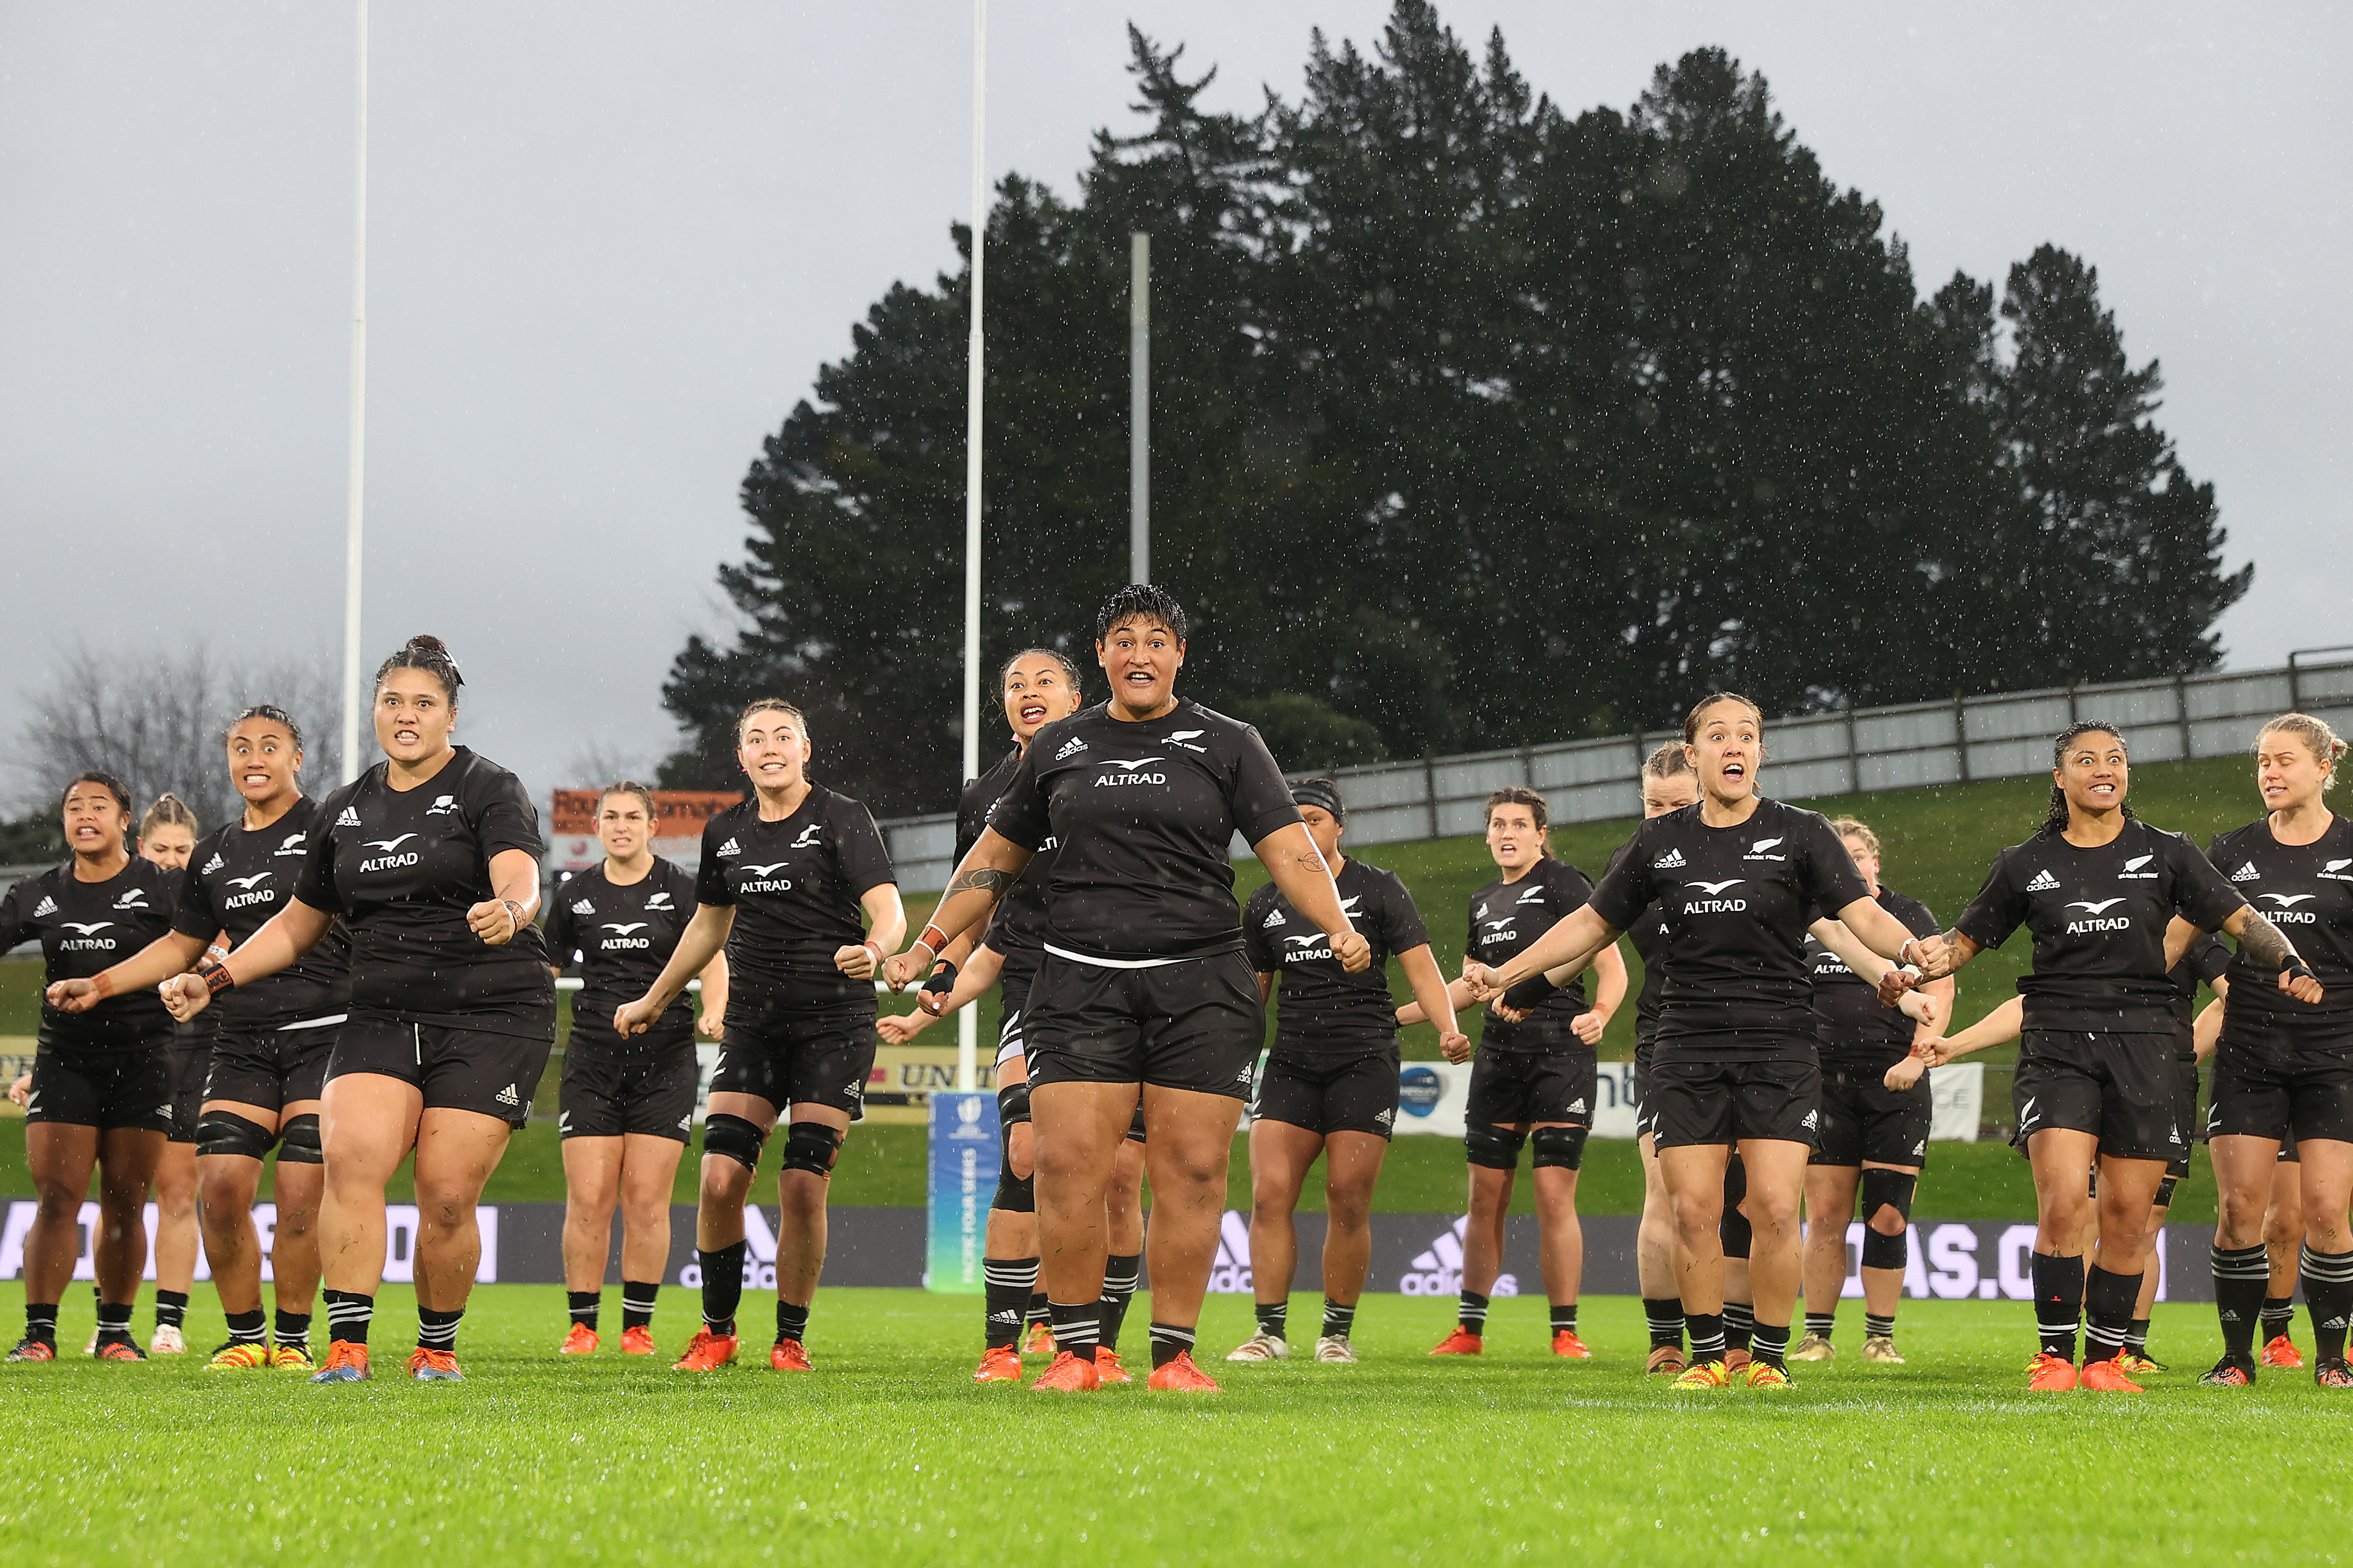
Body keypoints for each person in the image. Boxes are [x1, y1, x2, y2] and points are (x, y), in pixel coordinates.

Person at [884, 583, 1371, 1394]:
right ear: (1102, 655)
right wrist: (927, 941)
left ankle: (1174, 1356)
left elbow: (1289, 852)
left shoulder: (1230, 741)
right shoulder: (1059, 747)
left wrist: (1337, 925)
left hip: (1202, 984)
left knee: (1191, 1170)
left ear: (1180, 655)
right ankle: (1076, 1354)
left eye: (1155, 639)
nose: (1139, 652)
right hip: (1077, 980)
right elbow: (993, 862)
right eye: (1122, 638)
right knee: (1068, 1165)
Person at [1464, 693, 1937, 1390]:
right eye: (1719, 735)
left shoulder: (1801, 833)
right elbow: (1592, 925)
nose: (1735, 745)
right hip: (1684, 1040)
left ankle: (1769, 1359)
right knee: (1692, 1209)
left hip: (1779, 1042)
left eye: (1747, 734)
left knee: (1775, 1206)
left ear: (1759, 753)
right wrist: (1508, 972)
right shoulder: (1657, 843)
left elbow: (1854, 913)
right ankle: (1708, 1355)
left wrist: (1912, 951)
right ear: (1695, 754)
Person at [161, 635, 559, 1384]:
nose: (405, 715)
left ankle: (436, 1348)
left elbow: (520, 872)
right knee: (352, 1163)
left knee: (444, 1193)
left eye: (423, 703)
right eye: (392, 701)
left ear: (450, 713)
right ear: (374, 709)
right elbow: (294, 924)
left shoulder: (487, 786)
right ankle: (345, 1346)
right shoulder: (343, 810)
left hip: (494, 1010)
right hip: (381, 1008)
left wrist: (512, 907)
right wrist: (212, 978)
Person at [1902, 720, 2316, 1392]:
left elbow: (2240, 918)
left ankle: (2102, 1358)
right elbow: (1962, 943)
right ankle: (2053, 1355)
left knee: (2128, 1212)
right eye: (2086, 758)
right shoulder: (2023, 863)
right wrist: (1914, 965)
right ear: (2059, 777)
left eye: (2116, 758)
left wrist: (2288, 958)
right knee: (2064, 1200)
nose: (2105, 767)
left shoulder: (2168, 853)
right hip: (2056, 1047)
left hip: (2149, 1048)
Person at [878, 649, 1155, 1383]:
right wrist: (937, 960)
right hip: (1034, 979)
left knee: (1121, 1174)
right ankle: (1002, 1344)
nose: (1028, 692)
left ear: (1076, 694)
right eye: (1014, 684)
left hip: (1131, 984)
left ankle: (1098, 1344)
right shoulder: (987, 794)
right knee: (1027, 1153)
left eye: (1044, 682)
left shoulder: (1126, 762)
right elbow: (981, 897)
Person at [49, 711, 352, 1371]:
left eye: (270, 747)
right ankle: (246, 1337)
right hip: (241, 1039)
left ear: (296, 757)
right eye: (241, 747)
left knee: (302, 1194)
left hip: (323, 1037)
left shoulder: (328, 829)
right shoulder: (213, 852)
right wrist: (101, 982)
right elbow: (181, 944)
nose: (254, 758)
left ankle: (295, 1340)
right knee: (218, 1187)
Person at [615, 700, 903, 1375]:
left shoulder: (841, 815)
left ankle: (790, 1336)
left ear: (806, 748)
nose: (769, 746)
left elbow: (887, 905)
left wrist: (876, 945)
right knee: (719, 1179)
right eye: (755, 738)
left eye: (782, 735)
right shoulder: (726, 831)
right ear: (741, 757)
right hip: (754, 1025)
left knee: (803, 1185)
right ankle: (717, 1331)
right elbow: (708, 928)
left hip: (834, 1024)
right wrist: (655, 997)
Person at [1227, 779, 1467, 1365]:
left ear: (1339, 825)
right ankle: (1269, 1332)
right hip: (1290, 1062)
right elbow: (1250, 996)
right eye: (1296, 820)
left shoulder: (1379, 889)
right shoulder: (1265, 902)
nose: (1306, 829)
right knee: (1268, 1194)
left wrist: (1446, 1028)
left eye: (1316, 818)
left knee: (1347, 1198)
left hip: (1364, 1059)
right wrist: (1222, 1055)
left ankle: (1335, 1332)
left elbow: (1421, 968)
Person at [1400, 787, 1624, 1360]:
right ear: (1486, 834)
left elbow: (1610, 964)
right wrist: (1397, 1016)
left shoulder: (1564, 883)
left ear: (1539, 834)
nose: (1507, 833)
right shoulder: (1480, 900)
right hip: (1498, 1057)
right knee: (1484, 1197)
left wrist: (1598, 1014)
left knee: (1553, 1197)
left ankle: (1564, 1332)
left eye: (1519, 824)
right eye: (1497, 823)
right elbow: (1472, 987)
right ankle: (1468, 1330)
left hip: (1559, 1055)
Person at [2197, 713, 2353, 1387]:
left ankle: (2330, 1358)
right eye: (2262, 760)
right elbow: (2190, 931)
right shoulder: (2229, 850)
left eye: (2284, 760)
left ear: (2323, 766)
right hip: (2250, 1050)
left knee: (2324, 1210)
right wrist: (2221, 974)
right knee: (2240, 1210)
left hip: (2334, 1051)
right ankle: (2235, 1358)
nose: (2269, 772)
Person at [4, 773, 182, 1361]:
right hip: (65, 1062)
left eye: (98, 806)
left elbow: (209, 940)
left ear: (125, 820)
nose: (84, 815)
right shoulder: (38, 894)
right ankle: (39, 1332)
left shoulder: (164, 887)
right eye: (73, 807)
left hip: (144, 1060)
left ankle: (114, 1331)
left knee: (126, 1201)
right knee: (57, 1196)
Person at [544, 782, 726, 1356]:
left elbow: (713, 954)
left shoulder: (680, 889)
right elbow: (543, 968)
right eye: (610, 817)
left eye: (632, 817)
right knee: (590, 1196)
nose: (620, 826)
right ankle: (583, 1325)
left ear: (653, 827)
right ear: (596, 827)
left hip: (666, 1060)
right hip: (592, 1059)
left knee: (647, 1198)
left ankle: (637, 1327)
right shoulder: (574, 894)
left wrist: (715, 1011)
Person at [1789, 817, 1949, 1365]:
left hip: (1893, 1081)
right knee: (1826, 1214)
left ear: (1874, 861)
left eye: (1857, 855)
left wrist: (1916, 1055)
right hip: (1822, 1084)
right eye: (1839, 856)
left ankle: (1879, 1335)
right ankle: (1816, 1335)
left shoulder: (1907, 917)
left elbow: (1940, 986)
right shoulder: (1809, 920)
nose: (1849, 865)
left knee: (1887, 1213)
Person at [1626, 744, 1700, 1373]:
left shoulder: (1762, 844)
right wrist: (1519, 979)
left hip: (1751, 1035)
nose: (1664, 815)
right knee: (1663, 1190)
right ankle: (1665, 1342)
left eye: (1678, 804)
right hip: (1663, 1038)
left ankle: (1739, 1342)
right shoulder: (1637, 862)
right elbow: (1586, 932)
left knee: (1745, 1198)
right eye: (1653, 804)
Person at [137, 794, 204, 1355]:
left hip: (192, 1048)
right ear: (141, 847)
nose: (172, 859)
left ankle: (168, 1324)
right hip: (126, 1048)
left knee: (177, 1190)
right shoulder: (124, 901)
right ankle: (110, 1323)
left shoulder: (210, 898)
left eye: (183, 849)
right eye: (161, 848)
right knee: (119, 1192)